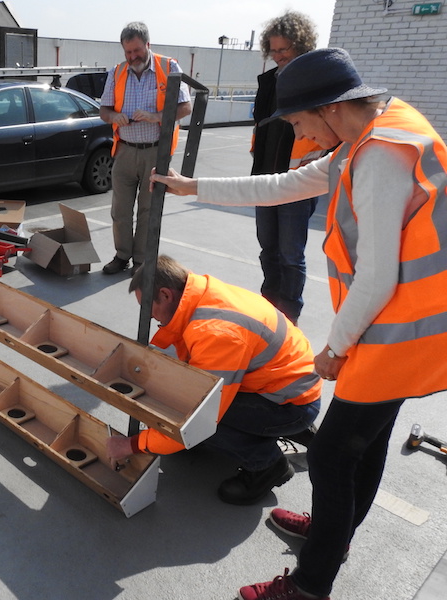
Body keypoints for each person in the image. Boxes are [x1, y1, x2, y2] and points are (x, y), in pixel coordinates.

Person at [150, 48, 447, 600]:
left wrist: (335, 347)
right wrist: (197, 188)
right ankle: (337, 532)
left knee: (334, 453)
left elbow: (378, 275)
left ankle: (310, 585)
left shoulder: (380, 156)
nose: (298, 133)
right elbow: (284, 184)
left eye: (299, 122)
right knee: (367, 444)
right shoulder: (373, 134)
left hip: (401, 333)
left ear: (331, 108)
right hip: (407, 329)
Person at [107, 255, 322, 505]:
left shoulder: (215, 332)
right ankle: (293, 428)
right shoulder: (204, 293)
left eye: (147, 307)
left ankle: (268, 465)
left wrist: (133, 444)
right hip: (289, 384)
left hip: (290, 403)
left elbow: (198, 417)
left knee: (203, 426)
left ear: (165, 295)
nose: (149, 316)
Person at [99, 22, 192, 276]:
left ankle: (141, 260)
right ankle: (122, 256)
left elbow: (186, 107)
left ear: (148, 45)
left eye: (137, 51)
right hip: (125, 151)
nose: (132, 57)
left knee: (149, 209)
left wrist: (156, 116)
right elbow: (103, 111)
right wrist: (114, 116)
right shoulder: (117, 72)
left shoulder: (168, 67)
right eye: (127, 52)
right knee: (120, 209)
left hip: (155, 151)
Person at [251, 11, 326, 324]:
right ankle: (270, 308)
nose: (279, 55)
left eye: (285, 49)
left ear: (301, 45)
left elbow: (329, 125)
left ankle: (290, 314)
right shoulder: (269, 81)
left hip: (298, 181)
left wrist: (322, 157)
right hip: (266, 178)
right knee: (268, 249)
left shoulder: (316, 79)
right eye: (274, 50)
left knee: (291, 255)